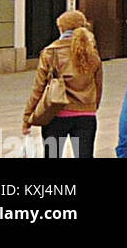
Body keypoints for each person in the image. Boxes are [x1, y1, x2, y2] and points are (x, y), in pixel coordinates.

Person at [22, 8, 102, 158]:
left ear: (61, 28)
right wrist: (91, 108)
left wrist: (28, 118)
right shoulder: (92, 54)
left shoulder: (50, 52)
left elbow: (38, 88)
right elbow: (98, 87)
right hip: (86, 116)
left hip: (56, 113)